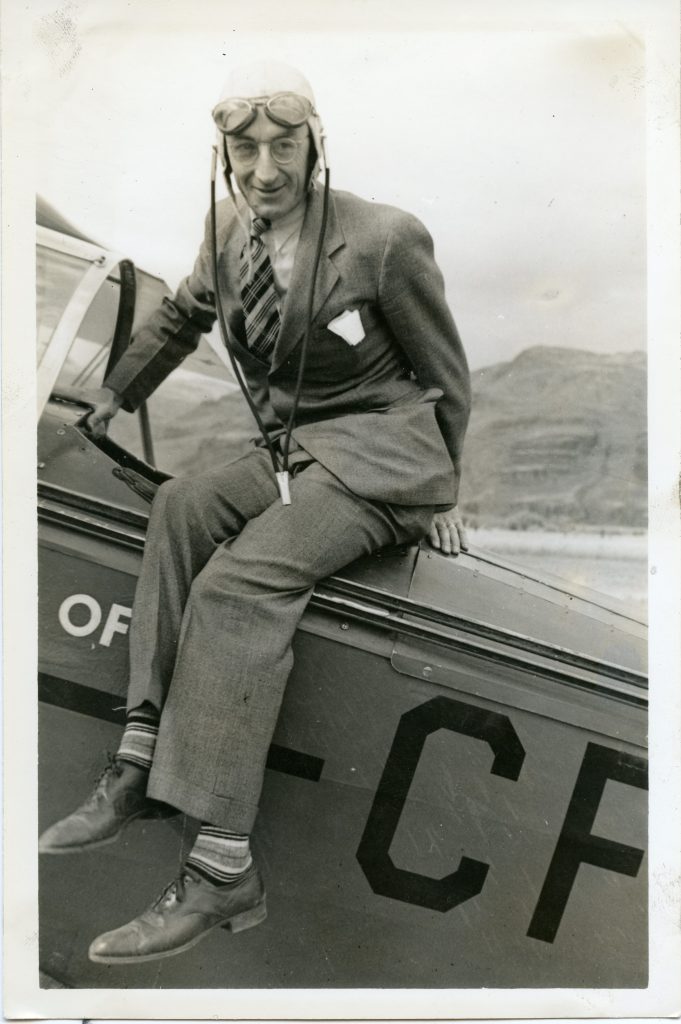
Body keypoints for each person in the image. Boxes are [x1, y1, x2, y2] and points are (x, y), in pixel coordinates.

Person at [38, 60, 471, 964]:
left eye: (284, 145)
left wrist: (442, 490)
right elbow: (184, 317)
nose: (265, 168)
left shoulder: (384, 239)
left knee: (241, 584)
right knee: (183, 505)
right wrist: (112, 399)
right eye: (246, 149)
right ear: (225, 154)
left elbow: (443, 373)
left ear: (315, 144)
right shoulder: (227, 227)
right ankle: (138, 758)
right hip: (296, 450)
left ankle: (223, 861)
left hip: (387, 454)